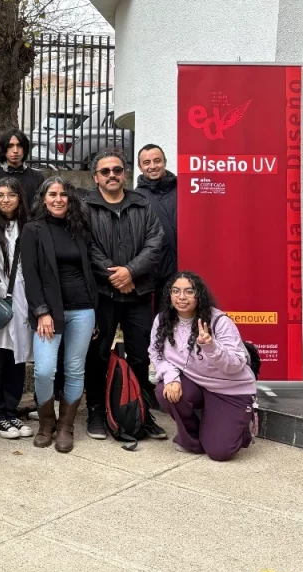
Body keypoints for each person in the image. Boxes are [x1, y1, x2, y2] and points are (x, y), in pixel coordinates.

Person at [84, 150, 167, 442]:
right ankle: (95, 410)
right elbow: (87, 248)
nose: (111, 175)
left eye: (116, 170)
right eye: (104, 171)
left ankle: (141, 412)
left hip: (139, 293)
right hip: (103, 296)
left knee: (140, 356)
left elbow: (155, 244)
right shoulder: (85, 207)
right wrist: (116, 277)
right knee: (96, 355)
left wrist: (130, 272)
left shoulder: (142, 205)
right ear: (96, 177)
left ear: (125, 174)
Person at [21, 177, 97, 452]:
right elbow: (30, 276)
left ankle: (66, 427)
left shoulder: (79, 228)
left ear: (70, 199)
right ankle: (46, 424)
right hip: (49, 313)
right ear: (43, 198)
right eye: (52, 194)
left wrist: (94, 313)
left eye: (63, 194)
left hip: (83, 309)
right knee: (44, 371)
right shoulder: (32, 230)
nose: (58, 199)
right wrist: (42, 312)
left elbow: (89, 270)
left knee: (75, 369)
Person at [150, 272, 256, 461]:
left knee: (220, 452)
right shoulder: (162, 320)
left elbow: (236, 364)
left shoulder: (218, 321)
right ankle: (192, 441)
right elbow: (157, 354)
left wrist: (210, 346)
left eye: (189, 292)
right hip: (197, 383)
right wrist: (171, 376)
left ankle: (240, 428)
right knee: (163, 390)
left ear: (199, 295)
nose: (181, 297)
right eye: (176, 291)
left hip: (229, 389)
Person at [0, 177, 34, 440]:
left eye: (11, 195)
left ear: (20, 198)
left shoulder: (29, 226)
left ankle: (11, 411)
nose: (5, 200)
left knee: (17, 358)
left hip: (22, 300)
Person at [134, 144, 177, 310]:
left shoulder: (183, 189)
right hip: (154, 275)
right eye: (146, 163)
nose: (152, 166)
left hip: (184, 270)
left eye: (157, 161)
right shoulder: (135, 197)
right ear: (140, 167)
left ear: (165, 161)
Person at [0, 129, 46, 208]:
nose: (15, 151)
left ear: (25, 149)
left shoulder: (37, 177)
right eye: (10, 146)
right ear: (4, 149)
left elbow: (41, 207)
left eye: (19, 146)